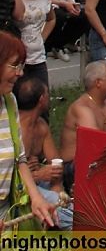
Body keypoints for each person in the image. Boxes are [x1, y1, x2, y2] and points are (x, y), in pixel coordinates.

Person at [0, 31, 57, 228]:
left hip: (7, 213)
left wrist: (36, 198)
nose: (20, 73)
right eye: (14, 66)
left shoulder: (9, 102)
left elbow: (20, 159)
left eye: (21, 66)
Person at [59, 61, 106, 192]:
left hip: (98, 160)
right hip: (74, 166)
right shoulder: (82, 108)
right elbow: (96, 144)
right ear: (98, 83)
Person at [16, 77, 72, 229]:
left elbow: (55, 162)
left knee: (60, 197)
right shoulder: (15, 128)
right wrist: (37, 175)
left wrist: (56, 183)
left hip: (39, 182)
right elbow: (10, 177)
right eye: (48, 93)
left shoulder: (41, 126)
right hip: (21, 188)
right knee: (64, 208)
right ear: (42, 99)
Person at [17, 0, 55, 90]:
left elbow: (51, 19)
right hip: (19, 57)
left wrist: (42, 37)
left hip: (38, 56)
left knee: (42, 93)